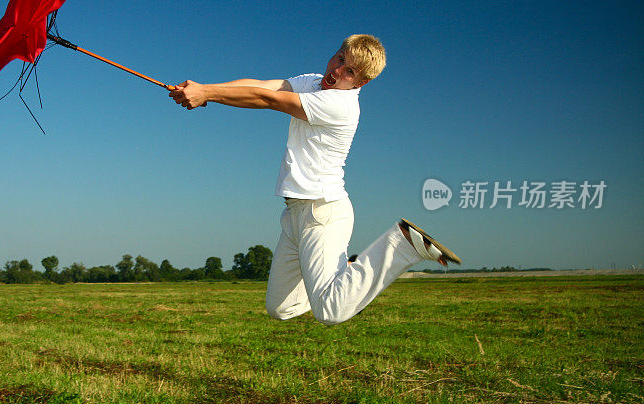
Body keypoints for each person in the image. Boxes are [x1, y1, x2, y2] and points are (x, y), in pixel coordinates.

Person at [168, 34, 460, 325]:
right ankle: (344, 277)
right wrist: (206, 91)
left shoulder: (339, 105)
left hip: (322, 211)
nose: (337, 71)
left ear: (360, 83)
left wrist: (207, 93)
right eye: (340, 58)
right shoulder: (312, 82)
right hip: (294, 212)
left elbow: (269, 99)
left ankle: (402, 244)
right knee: (280, 308)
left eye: (350, 72)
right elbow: (263, 85)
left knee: (330, 311)